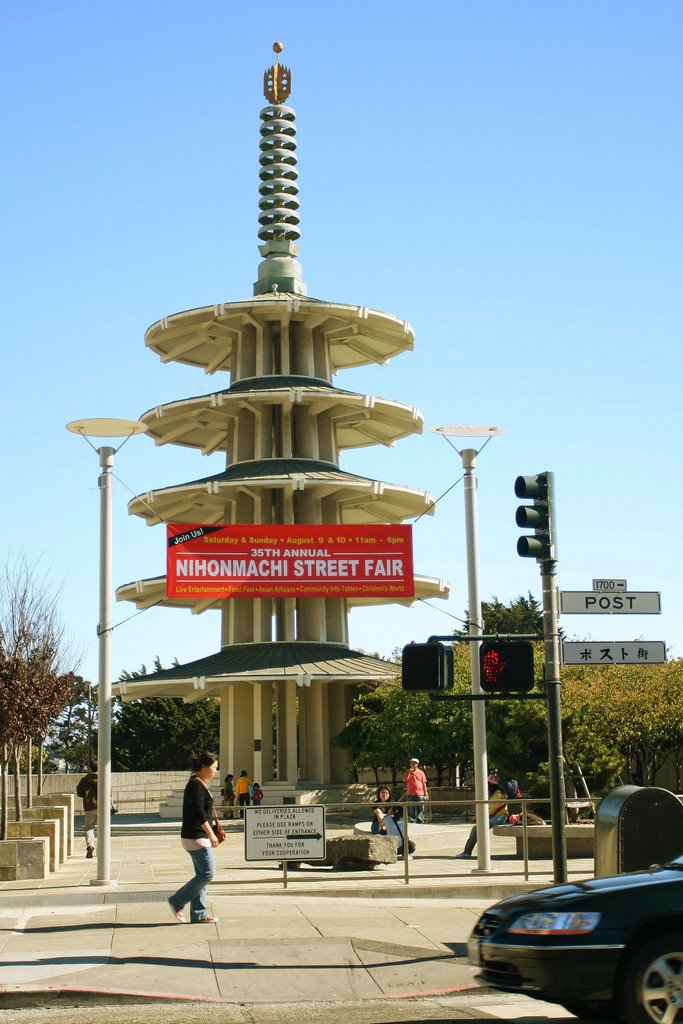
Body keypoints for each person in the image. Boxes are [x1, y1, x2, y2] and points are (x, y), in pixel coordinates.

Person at [167, 752, 221, 924]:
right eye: (213, 768)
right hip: (196, 836)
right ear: (203, 767)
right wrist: (212, 834)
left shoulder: (198, 784)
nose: (215, 772)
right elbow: (199, 813)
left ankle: (198, 913)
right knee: (207, 873)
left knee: (201, 875)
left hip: (196, 836)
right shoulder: (195, 785)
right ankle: (177, 900)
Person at [456, 773, 509, 859]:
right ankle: (468, 851)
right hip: (498, 817)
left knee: (477, 829)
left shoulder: (498, 794)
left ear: (491, 784)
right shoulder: (497, 793)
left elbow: (491, 809)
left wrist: (478, 817)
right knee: (478, 829)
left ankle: (467, 852)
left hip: (499, 817)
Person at [371, 784, 415, 856]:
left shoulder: (392, 802)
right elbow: (379, 815)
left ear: (389, 794)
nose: (384, 794)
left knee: (402, 831)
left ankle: (405, 850)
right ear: (379, 794)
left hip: (391, 823)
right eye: (382, 792)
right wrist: (384, 823)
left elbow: (397, 813)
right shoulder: (376, 803)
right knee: (378, 831)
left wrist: (389, 818)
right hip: (379, 823)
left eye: (386, 793)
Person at [76, 759, 98, 859]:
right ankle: (102, 849)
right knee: (103, 828)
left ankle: (90, 846)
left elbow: (79, 792)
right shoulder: (103, 778)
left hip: (89, 806)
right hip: (102, 807)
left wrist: (86, 795)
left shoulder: (85, 780)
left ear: (90, 768)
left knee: (89, 827)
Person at [403, 757, 429, 823]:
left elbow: (424, 784)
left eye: (414, 763)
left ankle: (420, 822)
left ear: (417, 764)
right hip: (410, 794)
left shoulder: (421, 773)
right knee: (411, 809)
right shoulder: (407, 772)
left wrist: (426, 794)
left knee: (420, 809)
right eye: (411, 763)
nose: (412, 764)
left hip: (420, 794)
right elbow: (404, 780)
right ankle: (412, 822)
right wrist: (409, 773)